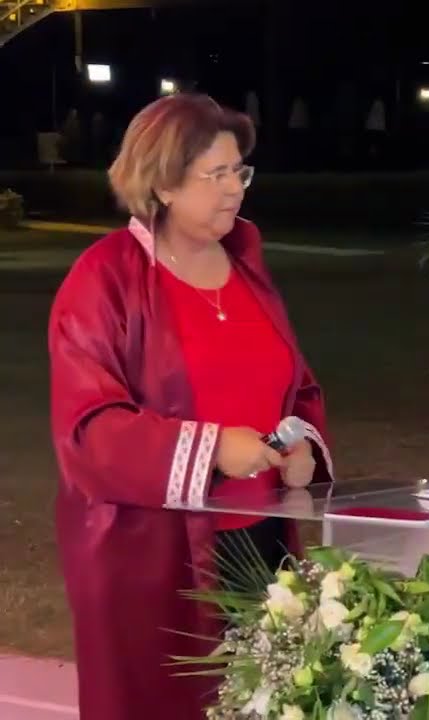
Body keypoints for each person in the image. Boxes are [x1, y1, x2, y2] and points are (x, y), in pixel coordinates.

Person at [48, 93, 335, 720]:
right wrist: (212, 448)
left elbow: (293, 386)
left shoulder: (245, 266)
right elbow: (89, 429)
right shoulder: (104, 280)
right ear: (164, 184)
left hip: (262, 544)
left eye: (240, 171)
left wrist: (303, 447)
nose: (235, 189)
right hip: (153, 559)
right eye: (216, 174)